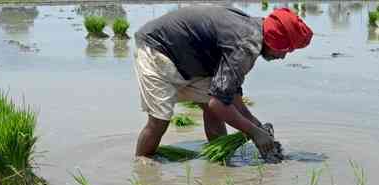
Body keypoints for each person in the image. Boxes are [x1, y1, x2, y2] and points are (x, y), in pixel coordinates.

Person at [133, 6, 313, 158]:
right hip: (158, 49)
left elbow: (229, 94)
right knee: (159, 121)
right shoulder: (246, 45)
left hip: (188, 59)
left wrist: (255, 124)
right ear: (276, 40)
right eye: (285, 50)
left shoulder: (252, 29)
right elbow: (218, 102)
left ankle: (219, 161)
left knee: (214, 111)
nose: (282, 56)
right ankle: (142, 166)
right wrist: (254, 133)